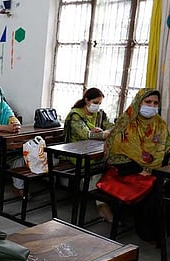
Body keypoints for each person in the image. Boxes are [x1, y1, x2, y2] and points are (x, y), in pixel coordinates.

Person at [105, 88, 170, 241]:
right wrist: (140, 170)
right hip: (124, 172)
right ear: (138, 102)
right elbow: (114, 154)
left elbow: (166, 148)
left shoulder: (159, 124)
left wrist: (156, 169)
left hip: (153, 170)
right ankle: (151, 233)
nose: (152, 106)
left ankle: (164, 230)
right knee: (153, 191)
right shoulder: (126, 122)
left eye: (155, 103)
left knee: (165, 187)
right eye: (148, 102)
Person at [64, 87, 114, 222]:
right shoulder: (76, 115)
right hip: (76, 153)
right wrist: (102, 134)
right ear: (87, 100)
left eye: (99, 103)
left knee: (109, 167)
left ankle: (104, 203)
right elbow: (86, 134)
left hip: (94, 152)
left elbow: (113, 127)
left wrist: (102, 132)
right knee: (96, 171)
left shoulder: (100, 114)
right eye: (95, 102)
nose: (97, 106)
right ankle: (102, 205)